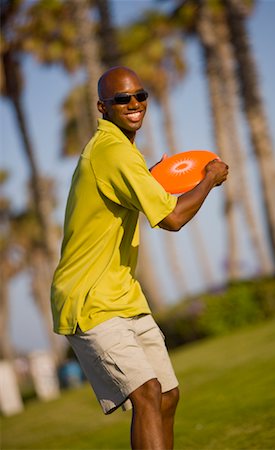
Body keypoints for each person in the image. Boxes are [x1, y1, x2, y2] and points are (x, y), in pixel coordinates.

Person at [51, 66, 228, 450]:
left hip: (124, 295)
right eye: (121, 99)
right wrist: (210, 177)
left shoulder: (122, 153)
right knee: (147, 393)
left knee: (167, 394)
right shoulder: (113, 151)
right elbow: (173, 218)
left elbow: (131, 194)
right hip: (89, 300)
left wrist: (152, 176)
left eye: (140, 95)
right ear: (103, 107)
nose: (133, 104)